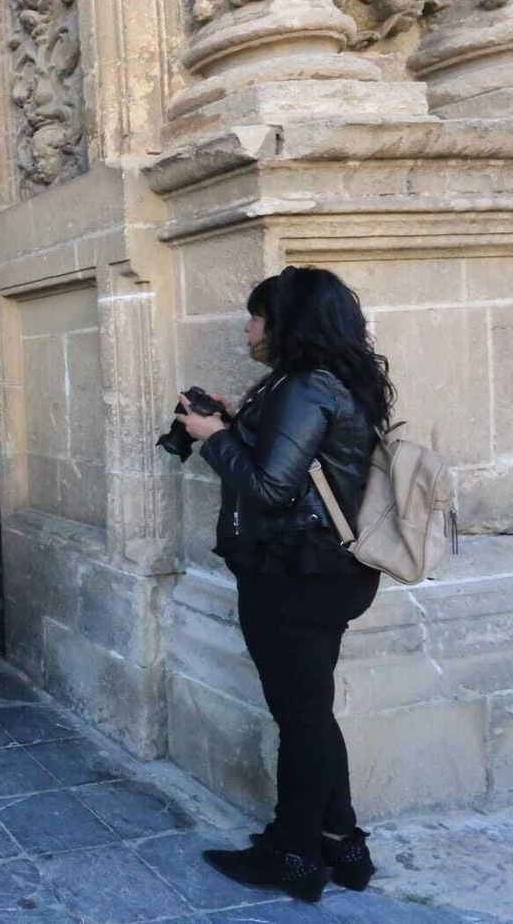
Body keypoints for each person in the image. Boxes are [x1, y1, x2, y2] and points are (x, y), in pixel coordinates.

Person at [179, 266, 392, 904]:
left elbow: (271, 487)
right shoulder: (334, 382)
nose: (247, 327)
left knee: (301, 719)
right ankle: (344, 846)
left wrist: (214, 439)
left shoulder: (305, 387)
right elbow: (300, 466)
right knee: (311, 714)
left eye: (256, 317)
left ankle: (294, 854)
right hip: (328, 573)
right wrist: (236, 420)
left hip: (297, 577)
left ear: (286, 324)